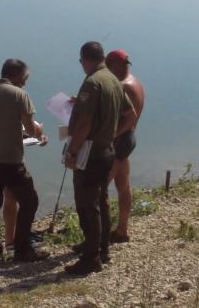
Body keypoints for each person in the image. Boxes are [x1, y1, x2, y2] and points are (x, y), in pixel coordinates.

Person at [64, 42, 137, 275]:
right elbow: (130, 116)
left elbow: (84, 124)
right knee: (102, 201)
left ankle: (91, 258)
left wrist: (72, 152)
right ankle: (102, 249)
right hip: (107, 151)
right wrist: (111, 134)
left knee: (88, 204)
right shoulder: (114, 81)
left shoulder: (93, 83)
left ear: (84, 59)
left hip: (90, 154)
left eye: (80, 61)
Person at [0, 58, 49, 263]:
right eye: (24, 78)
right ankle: (22, 248)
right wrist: (38, 130)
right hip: (11, 161)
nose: (25, 83)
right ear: (15, 76)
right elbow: (32, 129)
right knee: (29, 200)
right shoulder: (20, 95)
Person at [105, 49, 145, 244]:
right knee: (123, 186)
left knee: (99, 189)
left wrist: (110, 137)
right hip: (128, 139)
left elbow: (128, 118)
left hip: (118, 141)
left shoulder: (122, 86)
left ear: (118, 66)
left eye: (108, 66)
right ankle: (122, 229)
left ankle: (98, 237)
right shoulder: (136, 82)